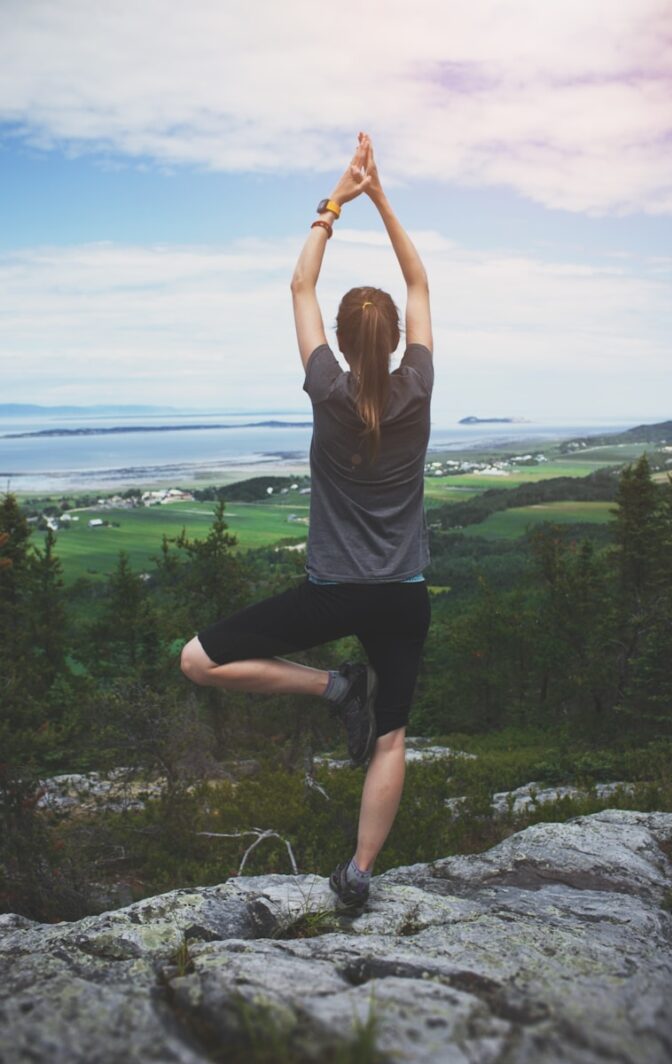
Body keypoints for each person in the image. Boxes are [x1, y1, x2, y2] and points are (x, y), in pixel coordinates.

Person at [180, 131, 433, 913]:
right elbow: (420, 279)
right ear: (393, 343)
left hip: (331, 592)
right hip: (402, 594)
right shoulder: (418, 386)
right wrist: (383, 194)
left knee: (197, 660)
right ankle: (357, 875)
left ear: (346, 344)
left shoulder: (325, 387)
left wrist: (337, 199)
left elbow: (299, 286)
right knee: (390, 737)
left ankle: (331, 687)